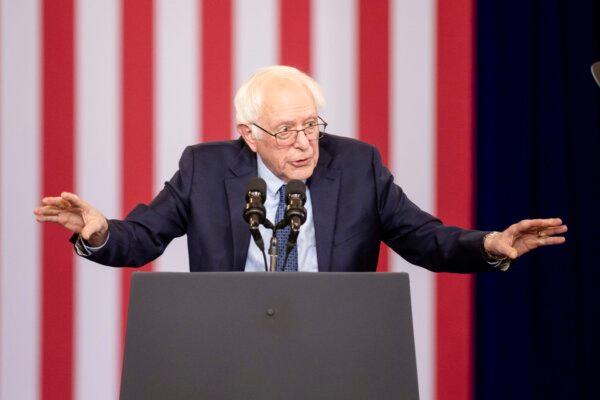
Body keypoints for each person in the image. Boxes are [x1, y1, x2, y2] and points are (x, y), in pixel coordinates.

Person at [33, 65, 567, 272]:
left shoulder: (357, 165)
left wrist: (489, 245)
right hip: (227, 344)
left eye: (312, 126)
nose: (305, 143)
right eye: (285, 130)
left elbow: (425, 237)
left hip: (335, 343)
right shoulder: (204, 167)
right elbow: (144, 236)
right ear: (249, 134)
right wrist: (100, 232)